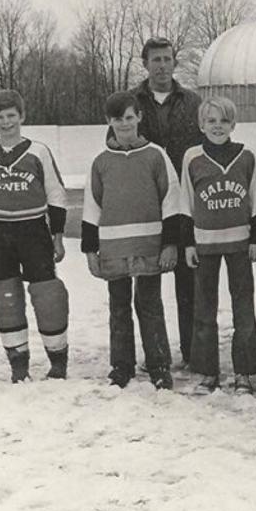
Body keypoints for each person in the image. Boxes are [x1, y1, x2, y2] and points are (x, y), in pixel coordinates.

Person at [82, 91, 182, 390]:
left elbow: (172, 200)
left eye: (129, 117)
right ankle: (121, 366)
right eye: (117, 119)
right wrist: (90, 250)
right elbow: (91, 206)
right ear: (108, 121)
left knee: (150, 305)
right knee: (118, 307)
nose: (124, 124)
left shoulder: (156, 155)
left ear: (139, 117)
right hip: (114, 249)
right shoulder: (101, 161)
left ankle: (159, 366)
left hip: (148, 247)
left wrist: (170, 243)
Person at [0, 89, 70, 383]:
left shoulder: (38, 152)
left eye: (11, 115)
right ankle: (18, 362)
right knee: (5, 297)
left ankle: (58, 359)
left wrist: (57, 235)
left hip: (33, 230)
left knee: (47, 294)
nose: (6, 122)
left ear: (22, 116)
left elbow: (56, 193)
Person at [179, 96, 256, 395]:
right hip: (205, 244)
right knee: (204, 309)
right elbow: (186, 202)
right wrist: (188, 243)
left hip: (240, 244)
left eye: (224, 121)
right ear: (201, 125)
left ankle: (244, 372)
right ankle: (208, 372)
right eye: (211, 121)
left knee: (244, 307)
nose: (218, 126)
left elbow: (255, 200)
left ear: (233, 124)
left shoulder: (246, 156)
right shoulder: (192, 157)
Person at [131, 37, 204, 370]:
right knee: (148, 284)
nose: (162, 65)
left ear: (175, 62)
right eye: (155, 60)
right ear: (145, 64)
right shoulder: (131, 102)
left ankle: (193, 353)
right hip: (146, 203)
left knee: (189, 284)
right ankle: (156, 354)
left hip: (184, 203)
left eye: (167, 59)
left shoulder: (193, 102)